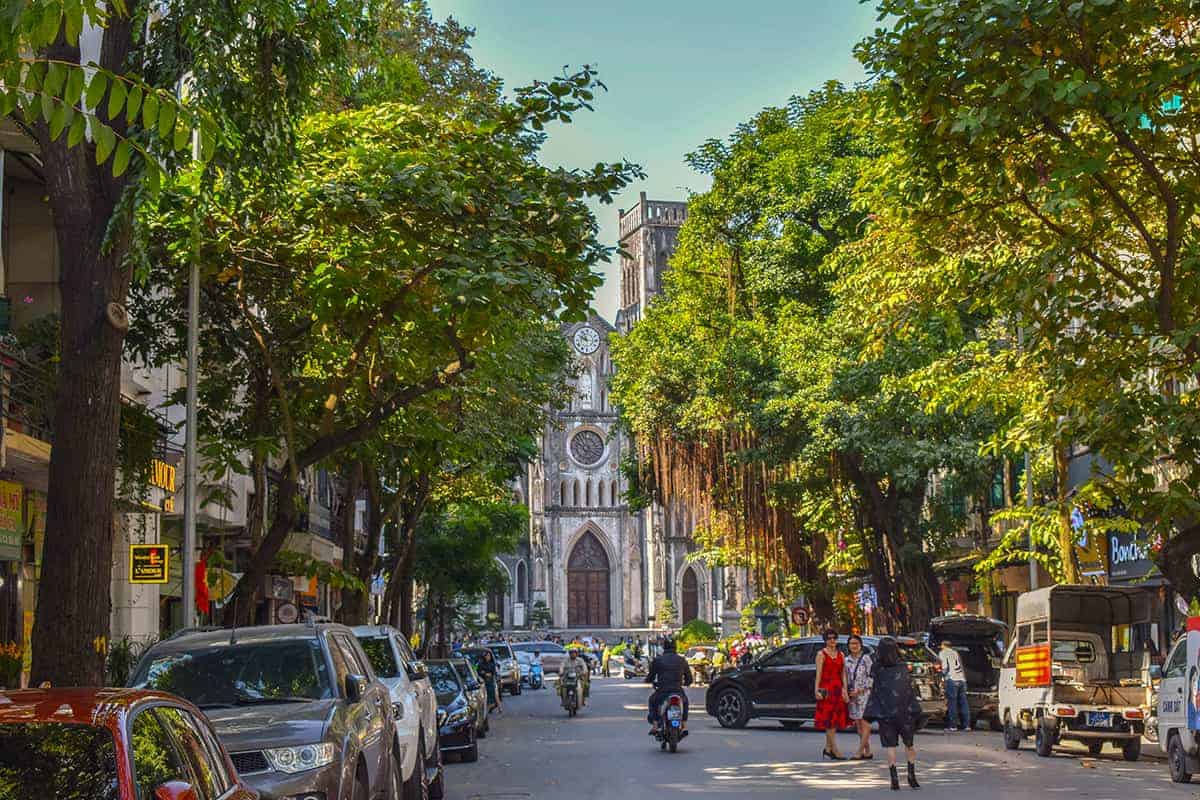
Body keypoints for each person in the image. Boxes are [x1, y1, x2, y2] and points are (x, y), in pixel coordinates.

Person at [864, 637, 921, 790]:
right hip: (904, 712)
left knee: (890, 746)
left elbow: (872, 686)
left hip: (885, 712)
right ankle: (911, 775)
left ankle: (894, 777)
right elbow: (909, 689)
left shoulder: (876, 668)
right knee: (909, 744)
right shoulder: (903, 667)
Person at [814, 628, 850, 760]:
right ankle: (834, 749)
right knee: (828, 720)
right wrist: (817, 689)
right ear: (825, 640)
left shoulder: (841, 655)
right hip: (826, 689)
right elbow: (818, 673)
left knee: (835, 720)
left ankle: (828, 748)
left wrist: (845, 689)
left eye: (834, 638)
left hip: (837, 688)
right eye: (829, 638)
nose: (832, 640)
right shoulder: (821, 654)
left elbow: (843, 674)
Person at [647, 637, 693, 735]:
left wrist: (648, 681)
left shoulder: (658, 660)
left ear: (664, 647)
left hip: (662, 691)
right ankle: (684, 725)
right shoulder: (682, 660)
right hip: (677, 690)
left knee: (652, 701)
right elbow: (689, 678)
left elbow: (651, 676)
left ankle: (655, 725)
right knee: (685, 703)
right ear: (675, 647)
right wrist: (686, 683)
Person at [845, 634, 874, 759]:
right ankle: (867, 751)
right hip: (852, 695)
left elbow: (872, 677)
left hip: (864, 694)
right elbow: (844, 678)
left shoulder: (866, 659)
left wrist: (861, 690)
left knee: (865, 722)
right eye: (852, 643)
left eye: (856, 643)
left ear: (861, 645)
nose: (854, 646)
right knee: (858, 725)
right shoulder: (846, 661)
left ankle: (859, 751)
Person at [939, 639, 970, 731]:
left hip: (952, 679)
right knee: (964, 703)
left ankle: (953, 725)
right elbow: (961, 666)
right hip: (962, 679)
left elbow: (945, 668)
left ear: (943, 645)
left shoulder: (943, 653)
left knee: (952, 703)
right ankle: (967, 725)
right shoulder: (955, 653)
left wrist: (942, 678)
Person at [477, 649, 502, 713]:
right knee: (488, 696)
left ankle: (498, 707)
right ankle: (488, 709)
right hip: (484, 681)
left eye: (489, 656)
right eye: (487, 656)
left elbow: (494, 672)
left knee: (495, 695)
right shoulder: (481, 664)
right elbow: (479, 671)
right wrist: (485, 673)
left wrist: (490, 674)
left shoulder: (492, 664)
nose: (488, 657)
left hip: (491, 681)